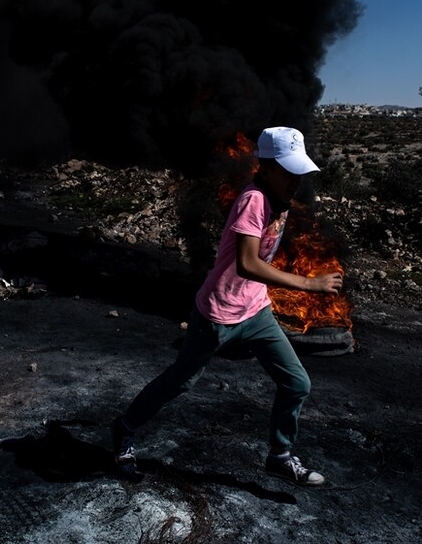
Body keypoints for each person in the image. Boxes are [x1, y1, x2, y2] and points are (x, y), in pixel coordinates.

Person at [111, 126, 344, 487]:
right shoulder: (253, 200)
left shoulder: (279, 199)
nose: (296, 180)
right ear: (266, 169)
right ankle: (124, 429)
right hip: (217, 313)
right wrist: (309, 284)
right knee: (181, 381)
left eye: (300, 172)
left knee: (297, 382)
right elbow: (247, 263)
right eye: (289, 171)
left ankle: (279, 456)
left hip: (255, 311)